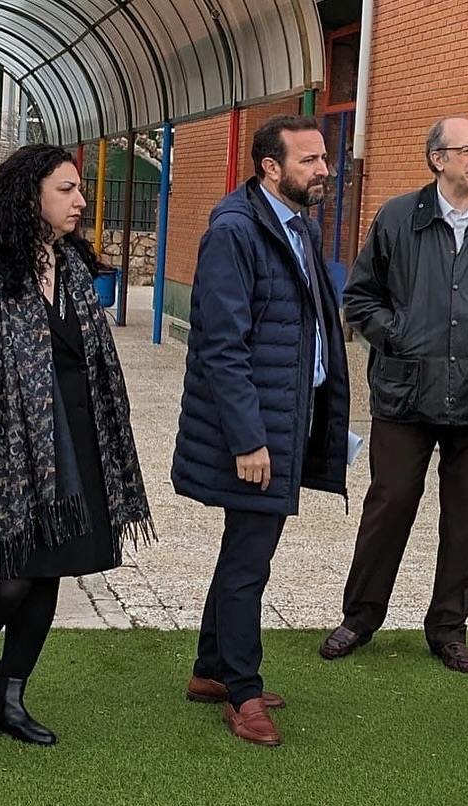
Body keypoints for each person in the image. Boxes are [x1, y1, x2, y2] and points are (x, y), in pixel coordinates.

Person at [0, 144, 154, 747]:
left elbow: (84, 358)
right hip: (0, 447)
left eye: (79, 189)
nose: (80, 201)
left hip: (74, 440)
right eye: (67, 190)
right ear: (29, 196)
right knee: (8, 578)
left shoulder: (73, 264)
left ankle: (10, 698)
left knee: (49, 573)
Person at [321, 116, 468, 673]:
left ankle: (448, 627)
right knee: (390, 502)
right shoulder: (398, 218)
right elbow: (361, 297)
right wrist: (398, 337)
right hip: (406, 392)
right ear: (437, 159)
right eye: (466, 149)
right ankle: (360, 616)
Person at [171, 115, 350, 746]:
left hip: (283, 421)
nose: (323, 169)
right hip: (254, 432)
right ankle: (243, 691)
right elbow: (222, 348)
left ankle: (210, 671)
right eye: (308, 160)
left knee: (242, 551)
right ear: (270, 168)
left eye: (324, 157)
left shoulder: (294, 224)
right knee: (250, 562)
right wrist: (250, 440)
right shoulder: (236, 231)